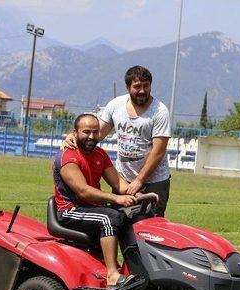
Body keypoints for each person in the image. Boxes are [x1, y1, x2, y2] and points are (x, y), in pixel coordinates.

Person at [64, 65, 172, 216]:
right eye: (137, 86)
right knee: (119, 220)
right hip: (123, 179)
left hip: (154, 181)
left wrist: (139, 181)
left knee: (150, 226)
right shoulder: (115, 105)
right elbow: (98, 133)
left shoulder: (160, 111)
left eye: (146, 86)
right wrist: (73, 137)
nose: (142, 90)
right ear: (128, 87)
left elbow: (158, 152)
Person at [53, 113, 138, 287]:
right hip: (71, 211)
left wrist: (137, 194)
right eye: (86, 132)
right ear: (75, 133)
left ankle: (135, 270)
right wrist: (116, 198)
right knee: (109, 218)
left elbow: (118, 183)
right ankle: (112, 274)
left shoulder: (100, 154)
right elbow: (83, 192)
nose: (91, 136)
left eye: (95, 132)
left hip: (91, 208)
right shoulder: (68, 157)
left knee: (131, 216)